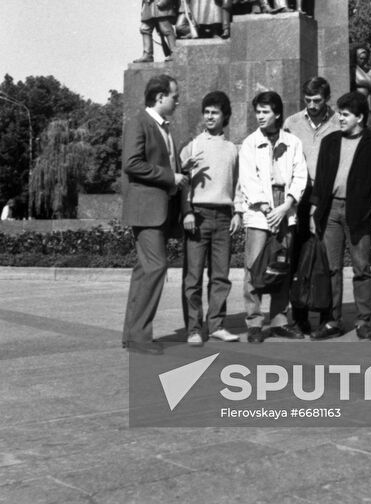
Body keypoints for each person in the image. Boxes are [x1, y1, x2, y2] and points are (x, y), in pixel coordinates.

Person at [309, 91, 371, 341]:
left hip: (359, 212)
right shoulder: (330, 141)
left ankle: (363, 321)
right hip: (331, 211)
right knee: (331, 269)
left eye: (345, 115)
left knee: (362, 268)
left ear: (360, 117)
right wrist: (316, 205)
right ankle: (331, 321)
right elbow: (322, 178)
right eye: (340, 114)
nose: (340, 119)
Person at [121, 74, 187, 354]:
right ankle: (139, 338)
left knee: (144, 270)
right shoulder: (140, 122)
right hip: (147, 210)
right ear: (160, 97)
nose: (178, 99)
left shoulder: (164, 127)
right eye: (175, 95)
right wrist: (170, 177)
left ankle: (132, 334)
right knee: (155, 267)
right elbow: (132, 164)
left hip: (157, 210)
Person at [238, 91, 308, 342]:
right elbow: (248, 180)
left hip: (285, 206)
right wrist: (269, 210)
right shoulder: (249, 143)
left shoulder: (293, 142)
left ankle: (279, 320)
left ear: (277, 113)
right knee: (254, 266)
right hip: (260, 211)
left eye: (265, 112)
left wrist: (286, 206)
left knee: (282, 265)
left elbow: (301, 176)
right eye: (258, 112)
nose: (260, 116)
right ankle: (255, 323)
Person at [180, 91, 242, 345]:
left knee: (220, 276)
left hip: (223, 217)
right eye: (206, 112)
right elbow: (181, 181)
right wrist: (187, 212)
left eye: (215, 112)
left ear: (224, 116)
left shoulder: (232, 149)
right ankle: (194, 328)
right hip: (198, 216)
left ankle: (216, 324)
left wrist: (237, 211)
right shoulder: (193, 146)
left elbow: (238, 184)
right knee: (193, 277)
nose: (209, 116)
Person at [283, 76, 341, 333]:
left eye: (317, 101)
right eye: (307, 101)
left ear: (327, 99)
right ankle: (300, 314)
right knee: (298, 255)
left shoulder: (339, 122)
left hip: (328, 193)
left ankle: (328, 315)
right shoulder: (292, 123)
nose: (312, 106)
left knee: (326, 256)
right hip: (300, 193)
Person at [351, 45, 371, 127]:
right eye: (361, 58)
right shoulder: (352, 71)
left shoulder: (370, 70)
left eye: (365, 58)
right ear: (355, 58)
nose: (363, 61)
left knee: (370, 127)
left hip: (369, 102)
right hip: (356, 103)